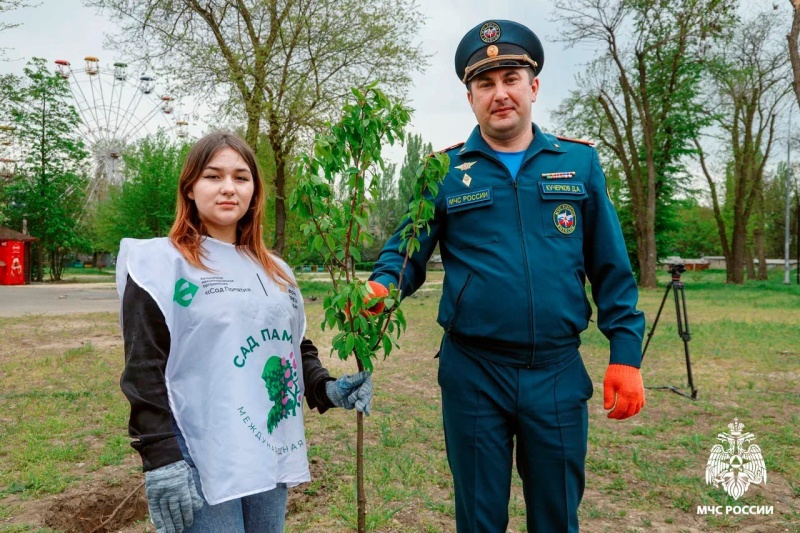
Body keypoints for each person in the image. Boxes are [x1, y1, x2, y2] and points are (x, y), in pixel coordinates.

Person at [369, 20, 646, 532]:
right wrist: (383, 286)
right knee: (478, 518)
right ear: (470, 96)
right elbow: (406, 251)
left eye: (511, 78)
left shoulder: (579, 163)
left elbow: (611, 268)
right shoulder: (443, 171)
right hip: (474, 372)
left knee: (557, 516)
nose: (500, 94)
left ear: (533, 86)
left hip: (557, 372)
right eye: (485, 84)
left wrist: (625, 355)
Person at [115, 132, 373, 533]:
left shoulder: (276, 271)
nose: (228, 188)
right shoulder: (160, 264)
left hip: (268, 446)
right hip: (199, 448)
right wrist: (161, 458)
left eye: (241, 177)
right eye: (213, 176)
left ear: (255, 191)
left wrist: (325, 388)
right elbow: (144, 368)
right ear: (190, 187)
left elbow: (292, 346)